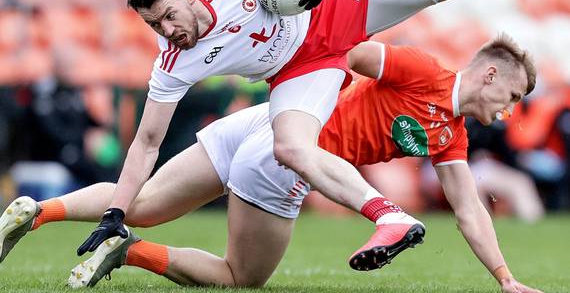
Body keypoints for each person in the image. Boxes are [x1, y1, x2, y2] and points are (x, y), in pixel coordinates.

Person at [63, 0, 570, 272]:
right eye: (155, 26)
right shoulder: (175, 59)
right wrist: (116, 210)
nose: (168, 30)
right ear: (488, 74)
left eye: (169, 17)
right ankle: (388, 215)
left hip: (340, 5)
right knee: (287, 151)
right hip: (306, 67)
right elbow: (145, 140)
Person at [0, 35, 542, 293]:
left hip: (266, 122)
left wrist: (504, 277)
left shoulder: (451, 135)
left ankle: (34, 211)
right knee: (241, 277)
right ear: (489, 76)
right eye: (512, 95)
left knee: (136, 202)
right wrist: (321, 97)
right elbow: (351, 51)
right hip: (286, 151)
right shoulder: (425, 71)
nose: (508, 112)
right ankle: (129, 253)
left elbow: (469, 207)